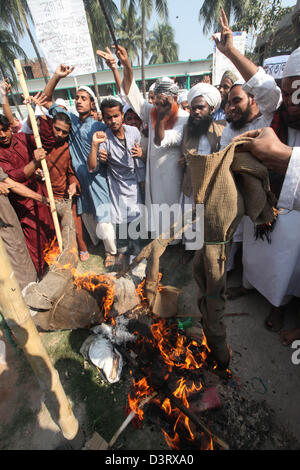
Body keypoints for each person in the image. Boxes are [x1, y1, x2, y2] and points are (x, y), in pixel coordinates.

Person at [214, 9, 300, 334]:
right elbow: (269, 91)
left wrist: (232, 53)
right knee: (256, 255)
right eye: (290, 92)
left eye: (299, 93)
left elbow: (266, 91)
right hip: (260, 204)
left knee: (287, 266)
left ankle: (279, 308)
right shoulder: (275, 120)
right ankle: (249, 288)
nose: (293, 103)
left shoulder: (264, 118)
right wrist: (230, 51)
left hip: (291, 214)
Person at [110, 45, 189, 240]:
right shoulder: (152, 112)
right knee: (156, 209)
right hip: (153, 173)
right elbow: (131, 92)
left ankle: (175, 240)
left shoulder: (185, 119)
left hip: (174, 174)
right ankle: (160, 238)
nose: (159, 106)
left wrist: (161, 117)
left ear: (175, 99)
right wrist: (127, 65)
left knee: (173, 208)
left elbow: (165, 140)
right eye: (157, 102)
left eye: (164, 102)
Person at [42, 64, 117, 268]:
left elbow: (109, 152)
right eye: (77, 98)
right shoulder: (71, 122)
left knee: (103, 216)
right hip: (79, 178)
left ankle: (111, 251)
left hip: (97, 178)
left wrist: (104, 155)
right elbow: (46, 100)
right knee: (87, 215)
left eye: (84, 98)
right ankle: (97, 245)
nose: (79, 101)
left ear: (92, 103)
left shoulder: (100, 126)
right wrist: (57, 76)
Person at [88, 98, 145, 269]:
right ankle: (123, 253)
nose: (113, 121)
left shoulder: (134, 132)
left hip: (134, 185)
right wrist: (97, 152)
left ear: (122, 115)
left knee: (137, 222)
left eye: (116, 116)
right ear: (104, 119)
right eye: (108, 118)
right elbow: (92, 167)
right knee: (121, 224)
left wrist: (141, 154)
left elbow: (140, 159)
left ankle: (138, 255)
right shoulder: (104, 139)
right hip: (117, 187)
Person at [31, 94, 90, 262]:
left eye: (65, 132)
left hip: (64, 197)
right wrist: (36, 170)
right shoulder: (39, 142)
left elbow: (71, 173)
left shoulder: (66, 148)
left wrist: (73, 184)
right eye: (57, 129)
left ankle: (81, 249)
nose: (60, 134)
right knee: (50, 231)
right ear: (51, 127)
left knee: (73, 228)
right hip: (45, 197)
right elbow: (29, 169)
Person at [0, 114, 55, 276]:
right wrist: (34, 162)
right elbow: (16, 177)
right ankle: (42, 276)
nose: (2, 135)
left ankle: (60, 268)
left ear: (10, 128)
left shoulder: (22, 138)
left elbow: (46, 142)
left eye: (4, 130)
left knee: (51, 233)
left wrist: (41, 118)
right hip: (23, 205)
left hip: (41, 194)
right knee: (35, 243)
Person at [179, 82, 225, 264]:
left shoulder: (221, 130)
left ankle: (207, 252)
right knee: (190, 219)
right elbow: (185, 152)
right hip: (191, 182)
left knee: (208, 220)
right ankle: (190, 250)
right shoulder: (187, 130)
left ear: (212, 109)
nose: (196, 112)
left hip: (211, 184)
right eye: (193, 108)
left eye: (201, 107)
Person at [0, 167, 50, 290]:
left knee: (17, 243)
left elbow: (11, 184)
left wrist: (41, 199)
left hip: (6, 217)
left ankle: (32, 286)